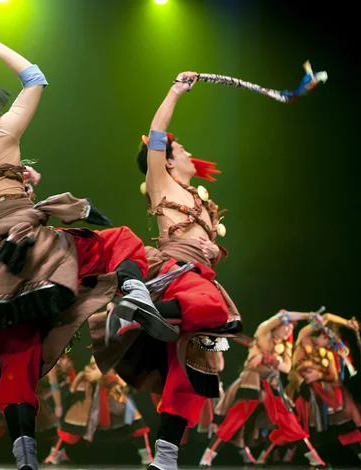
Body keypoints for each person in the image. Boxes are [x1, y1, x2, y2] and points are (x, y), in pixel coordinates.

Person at [0, 26, 177, 470]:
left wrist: (20, 180)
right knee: (118, 242)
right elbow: (35, 76)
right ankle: (135, 298)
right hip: (31, 246)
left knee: (17, 356)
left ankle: (25, 457)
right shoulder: (3, 134)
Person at [88, 71, 241, 470]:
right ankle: (133, 317)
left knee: (196, 366)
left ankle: (165, 459)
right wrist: (175, 90)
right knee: (216, 313)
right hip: (176, 273)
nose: (190, 153)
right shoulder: (161, 182)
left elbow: (202, 243)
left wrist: (211, 248)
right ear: (168, 159)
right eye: (183, 149)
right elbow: (158, 131)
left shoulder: (199, 200)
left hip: (201, 274)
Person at [200, 310, 319, 467]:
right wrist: (308, 316)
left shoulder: (284, 346)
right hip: (251, 382)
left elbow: (287, 368)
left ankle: (315, 459)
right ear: (276, 326)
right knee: (234, 420)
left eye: (291, 328)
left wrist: (267, 359)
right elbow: (282, 316)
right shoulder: (263, 333)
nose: (289, 330)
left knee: (288, 420)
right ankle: (206, 459)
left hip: (271, 385)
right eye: (286, 327)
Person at [44, 355, 153, 466]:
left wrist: (111, 380)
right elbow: (75, 388)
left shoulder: (113, 371)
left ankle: (146, 455)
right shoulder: (88, 371)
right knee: (70, 429)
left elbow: (124, 384)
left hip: (114, 403)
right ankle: (56, 454)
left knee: (136, 423)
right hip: (90, 406)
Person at [286, 313, 361, 467]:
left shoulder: (326, 353)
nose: (329, 344)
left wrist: (319, 374)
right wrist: (347, 322)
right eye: (328, 339)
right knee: (300, 429)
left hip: (327, 396)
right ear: (320, 333)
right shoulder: (304, 340)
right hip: (305, 393)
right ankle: (303, 460)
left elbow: (335, 379)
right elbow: (326, 316)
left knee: (345, 426)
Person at [0, 355, 76, 465]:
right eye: (69, 361)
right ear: (62, 359)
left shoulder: (57, 371)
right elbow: (53, 387)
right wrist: (58, 405)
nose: (69, 365)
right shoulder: (51, 365)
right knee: (6, 426)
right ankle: (54, 454)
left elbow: (42, 394)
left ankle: (55, 454)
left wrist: (60, 386)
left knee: (51, 425)